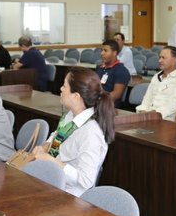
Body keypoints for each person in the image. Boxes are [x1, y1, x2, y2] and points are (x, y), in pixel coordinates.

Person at [31, 66, 116, 196]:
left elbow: (86, 180)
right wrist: (45, 146)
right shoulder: (71, 115)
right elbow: (57, 135)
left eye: (64, 86)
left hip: (70, 195)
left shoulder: (91, 133)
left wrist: (52, 161)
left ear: (76, 96)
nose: (61, 89)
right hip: (52, 182)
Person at [136, 46, 176, 121]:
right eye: (160, 57)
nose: (160, 60)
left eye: (163, 58)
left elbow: (174, 104)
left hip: (165, 119)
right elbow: (147, 98)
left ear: (173, 60)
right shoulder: (156, 76)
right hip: (148, 116)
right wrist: (143, 111)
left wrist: (154, 114)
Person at [95, 39, 130, 108]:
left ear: (114, 53)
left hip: (109, 107)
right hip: (96, 102)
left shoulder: (122, 71)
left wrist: (99, 100)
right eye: (102, 50)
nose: (102, 53)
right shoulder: (100, 68)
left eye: (105, 51)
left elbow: (117, 94)